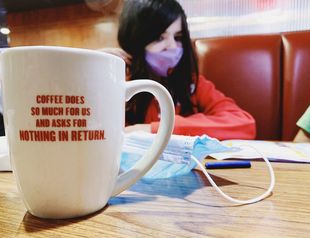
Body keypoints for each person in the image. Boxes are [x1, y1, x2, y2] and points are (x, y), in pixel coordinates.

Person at [103, 0, 256, 141]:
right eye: (159, 38)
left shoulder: (193, 83)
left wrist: (156, 129)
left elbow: (244, 123)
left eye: (178, 37)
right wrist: (95, 72)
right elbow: (105, 133)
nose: (173, 46)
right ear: (135, 40)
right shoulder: (121, 81)